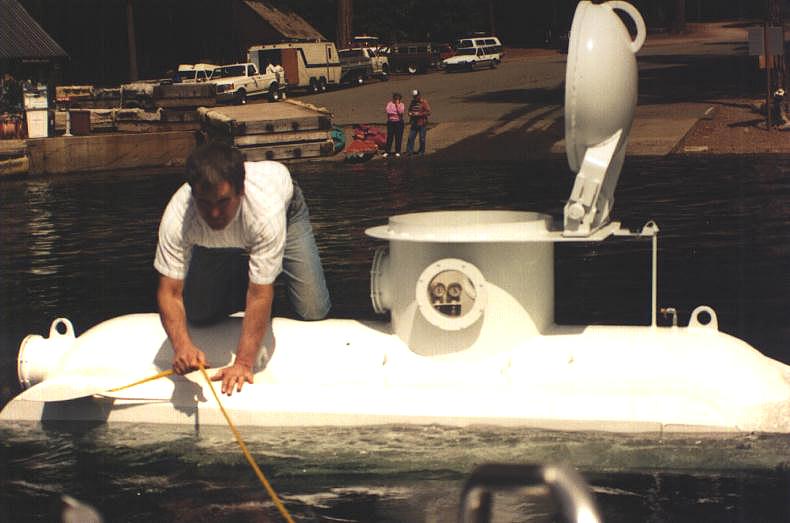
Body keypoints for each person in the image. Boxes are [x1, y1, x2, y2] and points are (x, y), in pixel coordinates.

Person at [154, 142, 331, 396]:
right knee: (198, 314)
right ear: (193, 195)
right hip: (212, 239)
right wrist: (181, 346)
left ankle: (257, 271)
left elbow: (259, 294)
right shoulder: (178, 216)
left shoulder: (265, 212)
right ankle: (245, 275)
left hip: (286, 213)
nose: (214, 213)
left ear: (241, 192)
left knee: (313, 311)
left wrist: (243, 364)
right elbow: (169, 292)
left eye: (223, 201)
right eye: (204, 203)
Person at [406, 89, 431, 155]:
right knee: (410, 137)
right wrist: (410, 113)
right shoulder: (412, 102)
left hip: (422, 123)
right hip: (414, 123)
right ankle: (409, 151)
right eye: (414, 96)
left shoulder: (424, 102)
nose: (415, 98)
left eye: (416, 96)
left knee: (422, 138)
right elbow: (409, 110)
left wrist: (419, 114)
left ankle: (421, 151)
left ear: (419, 95)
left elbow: (428, 112)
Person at [383, 92, 405, 157]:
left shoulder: (402, 104)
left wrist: (397, 105)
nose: (396, 100)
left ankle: (397, 151)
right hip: (391, 122)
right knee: (390, 137)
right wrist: (395, 113)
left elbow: (401, 112)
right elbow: (388, 111)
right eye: (395, 98)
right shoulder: (389, 104)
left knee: (398, 137)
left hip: (399, 122)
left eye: (398, 99)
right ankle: (387, 151)